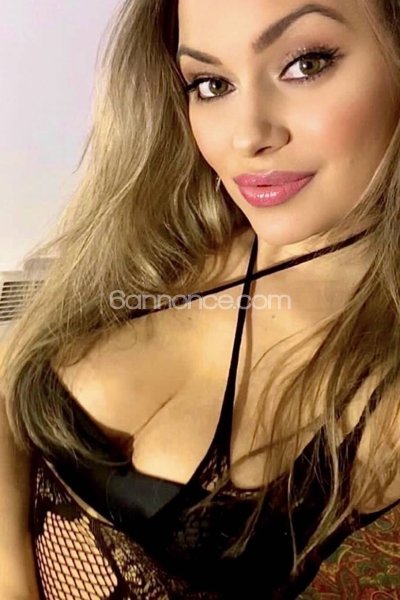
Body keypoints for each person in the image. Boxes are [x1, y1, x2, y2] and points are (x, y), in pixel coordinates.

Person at [1, 0, 400, 597]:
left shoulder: (381, 396)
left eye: (306, 63)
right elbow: (10, 387)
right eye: (212, 84)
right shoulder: (165, 239)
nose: (247, 136)